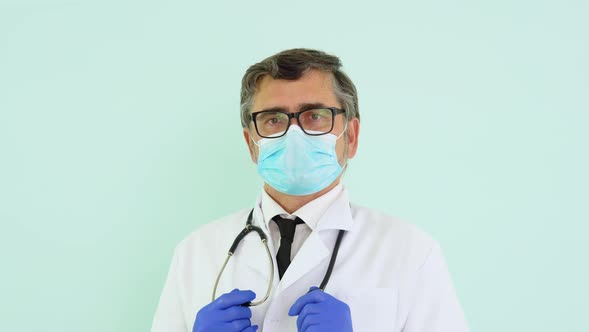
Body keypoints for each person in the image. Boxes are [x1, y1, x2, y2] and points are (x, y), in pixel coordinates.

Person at [150, 48, 469, 332]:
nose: (294, 133)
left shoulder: (411, 251)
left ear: (351, 136)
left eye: (315, 116)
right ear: (251, 144)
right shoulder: (196, 252)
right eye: (273, 119)